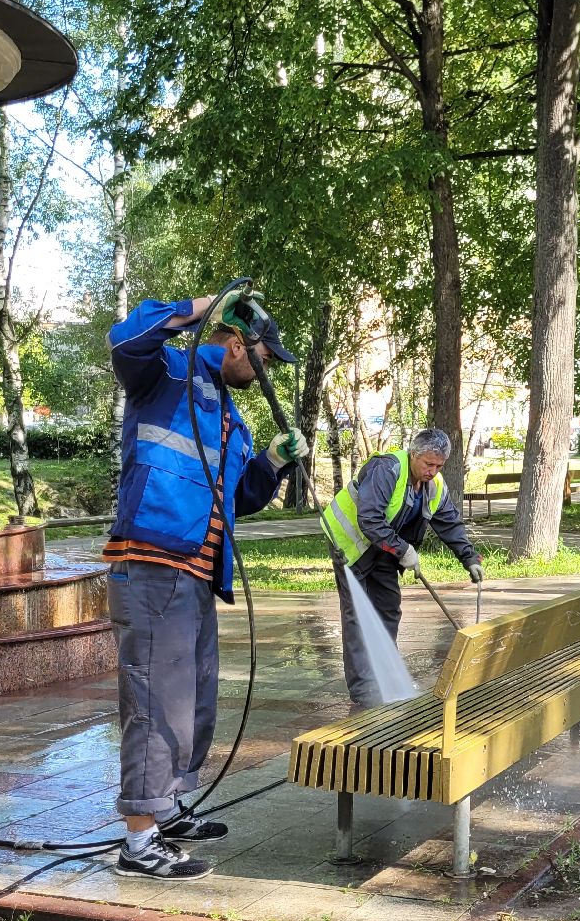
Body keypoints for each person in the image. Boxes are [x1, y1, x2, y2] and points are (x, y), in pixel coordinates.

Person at [105, 292, 307, 881]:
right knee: (154, 700)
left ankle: (167, 812)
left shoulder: (230, 416)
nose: (265, 372)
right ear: (238, 344)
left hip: (196, 570)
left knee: (192, 700)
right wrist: (205, 304)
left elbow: (239, 496)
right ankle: (139, 841)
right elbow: (125, 338)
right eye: (265, 359)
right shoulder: (164, 372)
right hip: (151, 562)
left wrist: (271, 461)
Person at [322, 429, 483, 707]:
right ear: (414, 455)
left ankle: (385, 676)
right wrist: (403, 550)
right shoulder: (386, 469)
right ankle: (364, 691)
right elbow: (370, 519)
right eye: (428, 464)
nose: (432, 471)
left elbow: (449, 523)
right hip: (349, 544)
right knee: (357, 616)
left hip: (383, 547)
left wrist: (469, 558)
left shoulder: (435, 486)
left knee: (388, 608)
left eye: (438, 466)